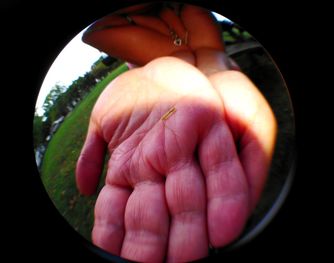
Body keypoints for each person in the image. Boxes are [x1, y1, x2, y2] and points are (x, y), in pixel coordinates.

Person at [76, 3, 277, 262]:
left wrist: (217, 75)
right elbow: (92, 34)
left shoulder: (188, 13)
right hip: (157, 107)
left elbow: (209, 54)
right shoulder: (131, 23)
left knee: (200, 185)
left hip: (182, 107)